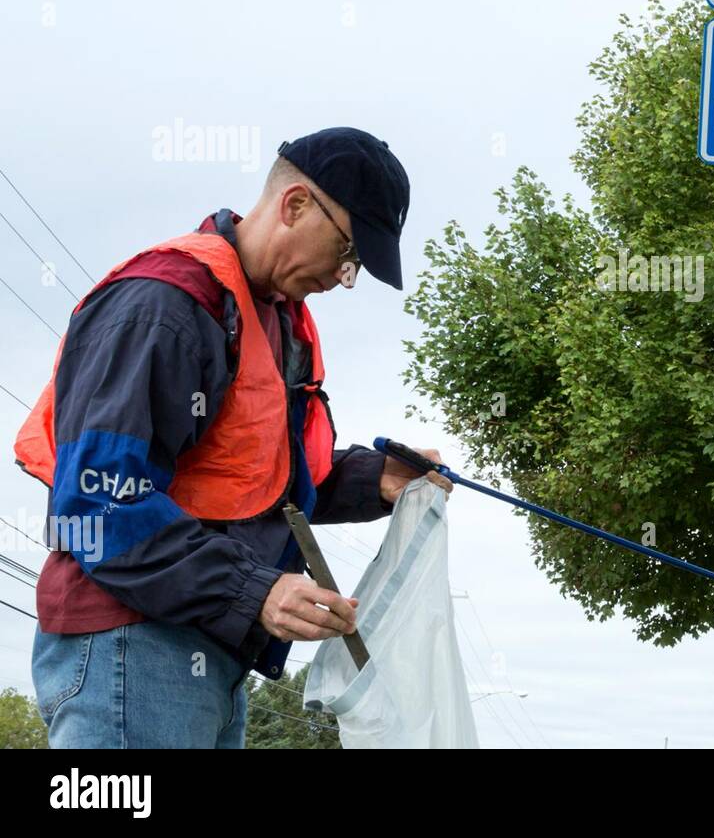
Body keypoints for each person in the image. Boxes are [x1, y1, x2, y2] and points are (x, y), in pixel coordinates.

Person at [14, 126, 454, 748]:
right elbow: (96, 504)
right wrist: (255, 590)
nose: (343, 276)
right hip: (129, 646)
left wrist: (375, 479)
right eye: (348, 251)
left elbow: (258, 480)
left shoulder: (275, 323)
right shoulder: (164, 306)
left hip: (208, 653)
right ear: (295, 204)